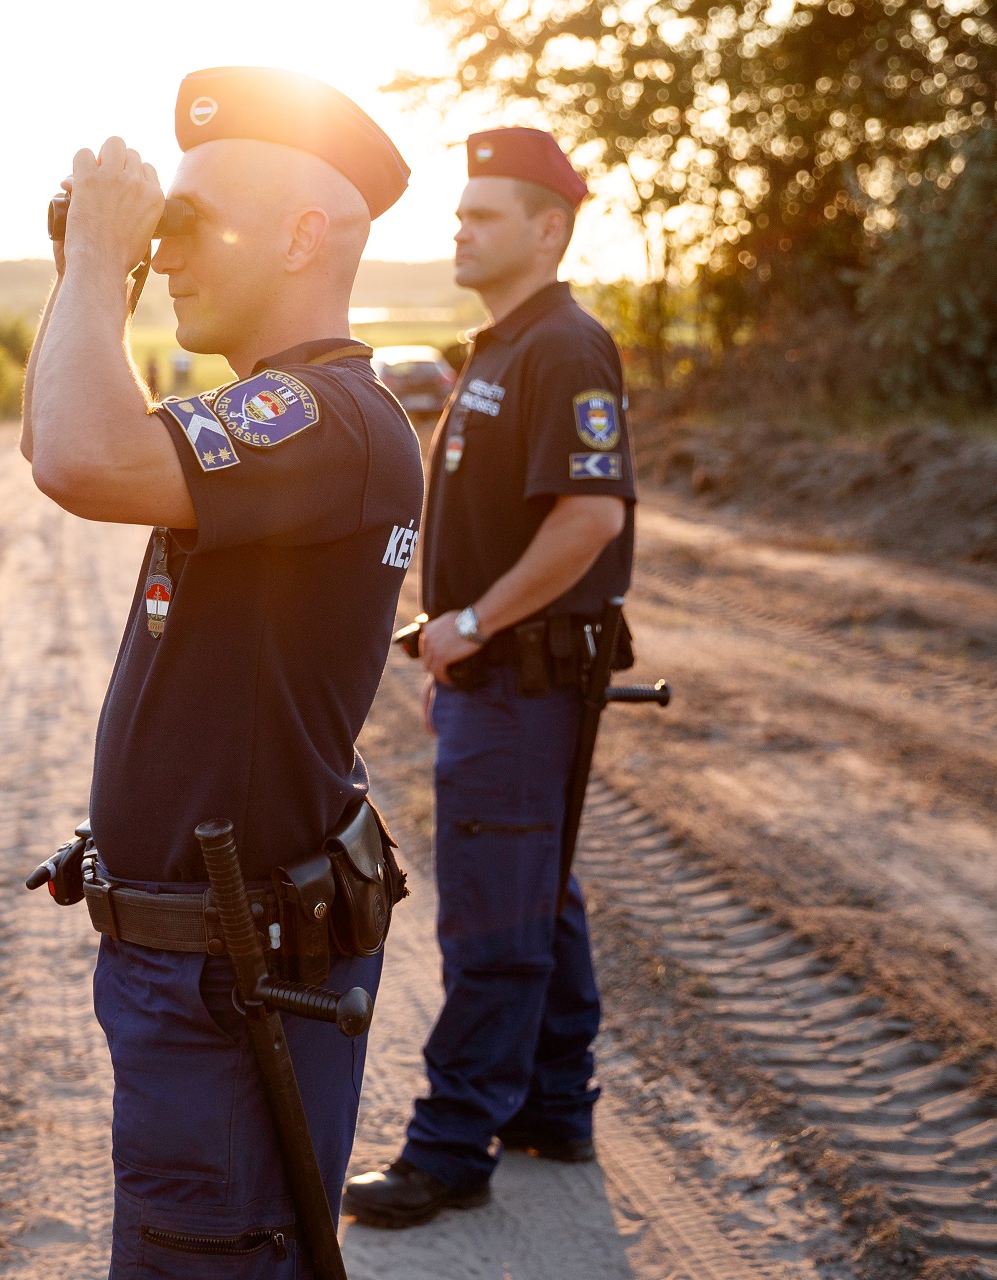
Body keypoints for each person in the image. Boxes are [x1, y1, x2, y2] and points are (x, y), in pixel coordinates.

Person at [21, 68, 422, 1276]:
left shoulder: (326, 416)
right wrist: (87, 269)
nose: (166, 250)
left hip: (229, 980)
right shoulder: (279, 412)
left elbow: (81, 456)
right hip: (194, 972)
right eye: (160, 225)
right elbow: (57, 431)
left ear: (306, 234)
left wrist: (101, 257)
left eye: (190, 224)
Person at [342, 128, 636, 1227]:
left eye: (482, 216)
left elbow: (590, 515)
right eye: (458, 214)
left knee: (493, 920)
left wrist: (469, 622)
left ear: (548, 230)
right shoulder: (505, 346)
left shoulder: (562, 346)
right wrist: (458, 642)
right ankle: (555, 1105)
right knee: (538, 888)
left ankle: (451, 1145)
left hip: (522, 679)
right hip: (497, 676)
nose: (458, 229)